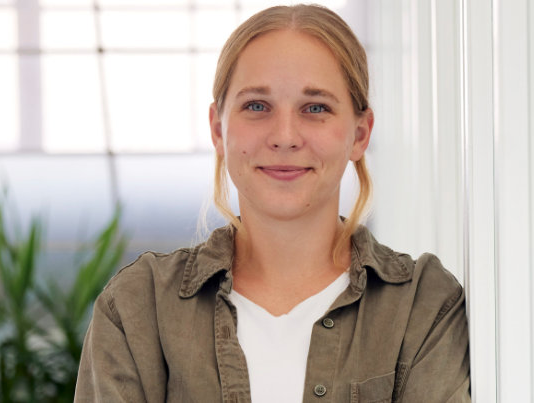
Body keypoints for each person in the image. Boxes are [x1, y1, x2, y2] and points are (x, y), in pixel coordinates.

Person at [75, 4, 470, 403]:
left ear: (360, 134)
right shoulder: (139, 307)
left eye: (315, 108)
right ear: (218, 129)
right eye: (257, 106)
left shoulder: (422, 304)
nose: (284, 136)